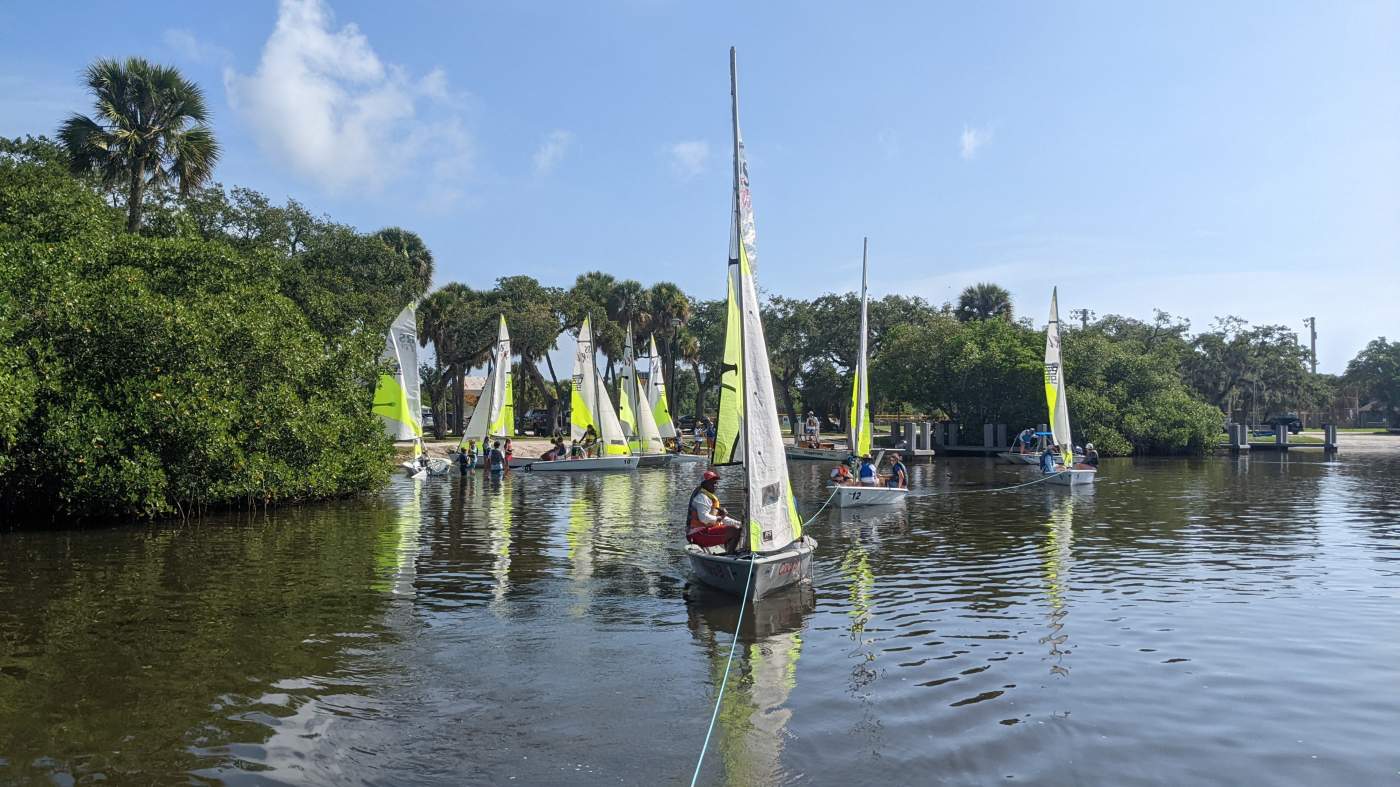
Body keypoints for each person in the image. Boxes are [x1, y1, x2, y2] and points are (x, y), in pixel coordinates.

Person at [687, 470, 743, 553]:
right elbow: (704, 519)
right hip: (697, 534)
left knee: (737, 527)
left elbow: (721, 519)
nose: (715, 485)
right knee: (734, 531)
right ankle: (730, 555)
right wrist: (720, 517)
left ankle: (729, 552)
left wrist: (738, 523)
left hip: (704, 532)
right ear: (704, 484)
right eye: (712, 482)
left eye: (716, 482)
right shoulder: (702, 497)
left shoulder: (708, 497)